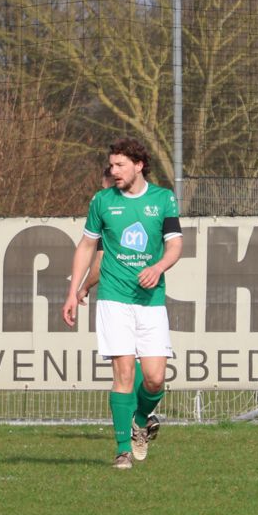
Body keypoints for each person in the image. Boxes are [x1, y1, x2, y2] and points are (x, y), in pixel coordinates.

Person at [62, 138, 183, 469]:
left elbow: (175, 245)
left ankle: (140, 420)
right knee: (124, 372)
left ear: (139, 165)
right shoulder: (102, 201)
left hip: (151, 301)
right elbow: (87, 246)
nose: (113, 171)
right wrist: (73, 291)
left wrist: (158, 267)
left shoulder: (163, 199)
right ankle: (122, 450)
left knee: (155, 379)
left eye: (120, 165)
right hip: (113, 299)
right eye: (111, 165)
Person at [79, 163, 159, 442]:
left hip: (126, 298)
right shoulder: (115, 209)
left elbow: (100, 262)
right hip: (136, 298)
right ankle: (135, 430)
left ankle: (140, 419)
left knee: (130, 366)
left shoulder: (115, 213)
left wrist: (84, 286)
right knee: (131, 363)